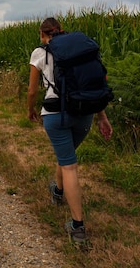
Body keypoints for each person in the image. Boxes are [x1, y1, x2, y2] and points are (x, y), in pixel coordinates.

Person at [27, 17, 113, 244]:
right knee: (66, 156)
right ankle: (57, 191)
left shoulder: (40, 53)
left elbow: (32, 91)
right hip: (85, 112)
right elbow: (93, 82)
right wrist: (102, 116)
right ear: (61, 30)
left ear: (42, 33)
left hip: (56, 116)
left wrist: (30, 111)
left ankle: (77, 226)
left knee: (69, 165)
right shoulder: (80, 48)